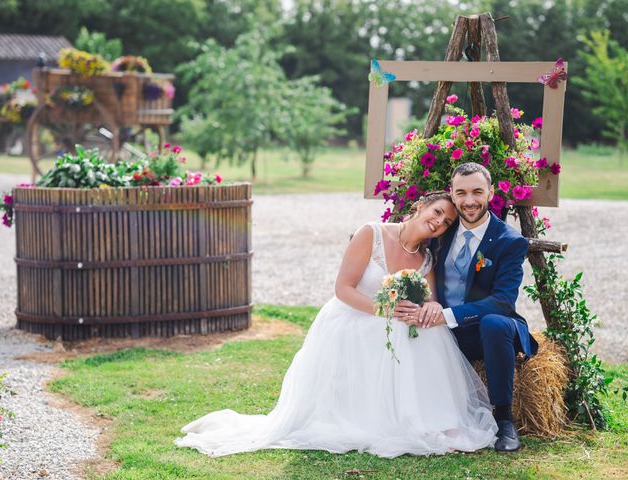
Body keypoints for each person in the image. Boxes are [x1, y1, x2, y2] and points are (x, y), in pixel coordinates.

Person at [175, 190, 498, 458]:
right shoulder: (372, 233)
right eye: (438, 212)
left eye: (446, 222)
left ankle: (428, 418)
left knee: (429, 330)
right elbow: (343, 289)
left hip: (393, 319)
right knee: (394, 330)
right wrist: (384, 310)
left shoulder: (425, 257)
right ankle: (380, 418)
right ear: (420, 205)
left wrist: (430, 308)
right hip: (354, 316)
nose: (439, 222)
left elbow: (431, 297)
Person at [397, 163, 538, 453]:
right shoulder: (441, 232)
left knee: (495, 322)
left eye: (477, 191)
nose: (469, 200)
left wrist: (446, 316)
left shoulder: (509, 242)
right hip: (448, 334)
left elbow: (502, 301)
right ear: (452, 193)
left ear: (491, 193)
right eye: (461, 193)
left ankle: (504, 419)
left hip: (488, 331)